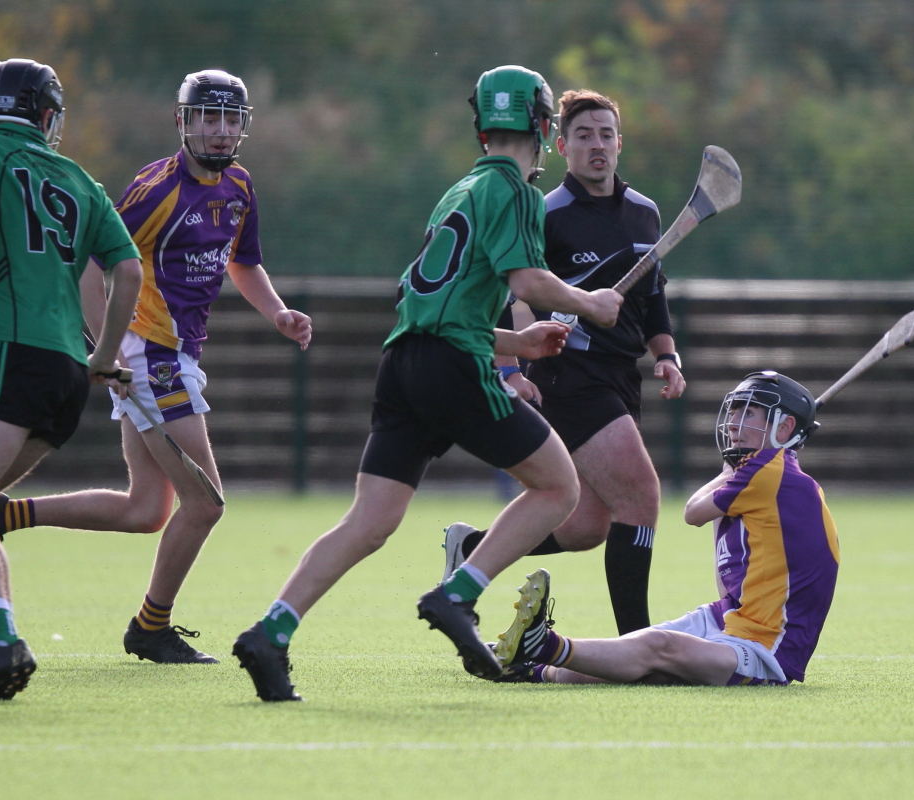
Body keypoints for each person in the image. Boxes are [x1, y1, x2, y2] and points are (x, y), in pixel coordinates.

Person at [230, 65, 625, 702]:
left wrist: (516, 343)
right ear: (543, 124)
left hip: (405, 361)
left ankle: (270, 633)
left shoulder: (458, 190)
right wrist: (590, 303)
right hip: (450, 365)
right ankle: (457, 595)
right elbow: (527, 283)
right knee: (560, 486)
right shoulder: (517, 192)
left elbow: (435, 305)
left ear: (482, 126)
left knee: (369, 521)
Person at [0, 70, 312, 664]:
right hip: (151, 354)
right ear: (182, 122)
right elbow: (88, 258)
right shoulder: (158, 190)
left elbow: (243, 262)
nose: (219, 131)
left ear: (244, 125)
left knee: (148, 510)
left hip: (173, 352)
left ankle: (7, 513)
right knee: (207, 503)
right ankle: (151, 628)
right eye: (207, 118)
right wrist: (102, 345)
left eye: (230, 119)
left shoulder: (238, 185)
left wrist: (279, 313)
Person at [0, 59, 143, 701]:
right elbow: (124, 273)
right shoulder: (81, 180)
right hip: (68, 376)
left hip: (10, 357)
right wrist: (103, 356)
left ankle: (0, 645)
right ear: (46, 116)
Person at [442, 89, 685, 636]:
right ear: (561, 143)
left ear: (620, 143)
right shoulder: (545, 213)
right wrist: (511, 368)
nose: (596, 145)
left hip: (623, 375)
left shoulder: (645, 213)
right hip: (568, 374)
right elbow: (512, 293)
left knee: (585, 526)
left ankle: (473, 551)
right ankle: (636, 644)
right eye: (583, 135)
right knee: (641, 496)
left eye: (605, 134)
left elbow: (654, 296)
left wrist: (665, 354)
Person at [481, 371, 838, 687]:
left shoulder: (770, 472)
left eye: (748, 412)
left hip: (766, 650)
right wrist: (731, 471)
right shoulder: (765, 477)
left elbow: (693, 511)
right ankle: (528, 666)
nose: (732, 421)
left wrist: (728, 472)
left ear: (785, 428)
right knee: (636, 654)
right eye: (734, 409)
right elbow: (726, 579)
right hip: (730, 618)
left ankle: (541, 645)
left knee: (655, 648)